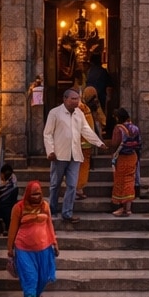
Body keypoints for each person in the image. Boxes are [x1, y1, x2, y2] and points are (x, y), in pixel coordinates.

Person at [43, 88, 106, 222]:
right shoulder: (55, 113)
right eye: (73, 99)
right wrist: (50, 151)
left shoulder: (79, 113)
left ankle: (67, 213)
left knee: (72, 185)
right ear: (65, 99)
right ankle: (53, 208)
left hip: (75, 155)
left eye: (77, 99)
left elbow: (86, 130)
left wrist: (98, 143)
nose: (76, 101)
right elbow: (47, 134)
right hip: (59, 155)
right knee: (55, 184)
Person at [7, 180, 58, 297]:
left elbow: (49, 225)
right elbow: (12, 229)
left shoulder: (45, 206)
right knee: (30, 279)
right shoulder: (19, 208)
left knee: (43, 278)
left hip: (44, 248)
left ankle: (35, 295)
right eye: (34, 194)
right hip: (24, 249)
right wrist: (9, 248)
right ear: (28, 194)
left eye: (39, 193)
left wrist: (55, 242)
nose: (37, 196)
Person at [107, 107, 141, 217]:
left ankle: (122, 208)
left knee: (120, 181)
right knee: (130, 180)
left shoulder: (118, 129)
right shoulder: (135, 128)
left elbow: (114, 143)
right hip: (133, 156)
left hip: (122, 157)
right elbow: (139, 143)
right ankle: (128, 209)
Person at [76, 90, 100, 201]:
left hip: (75, 144)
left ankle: (75, 188)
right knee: (83, 167)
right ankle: (79, 189)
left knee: (74, 167)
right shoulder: (86, 109)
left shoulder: (72, 110)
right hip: (86, 143)